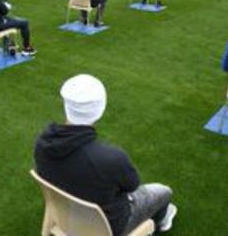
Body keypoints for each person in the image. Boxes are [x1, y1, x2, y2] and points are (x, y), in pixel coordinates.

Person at [34, 74, 177, 236]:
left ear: (67, 106)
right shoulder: (111, 158)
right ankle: (162, 222)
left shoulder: (43, 143)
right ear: (100, 109)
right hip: (109, 226)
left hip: (64, 213)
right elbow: (132, 186)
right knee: (163, 191)